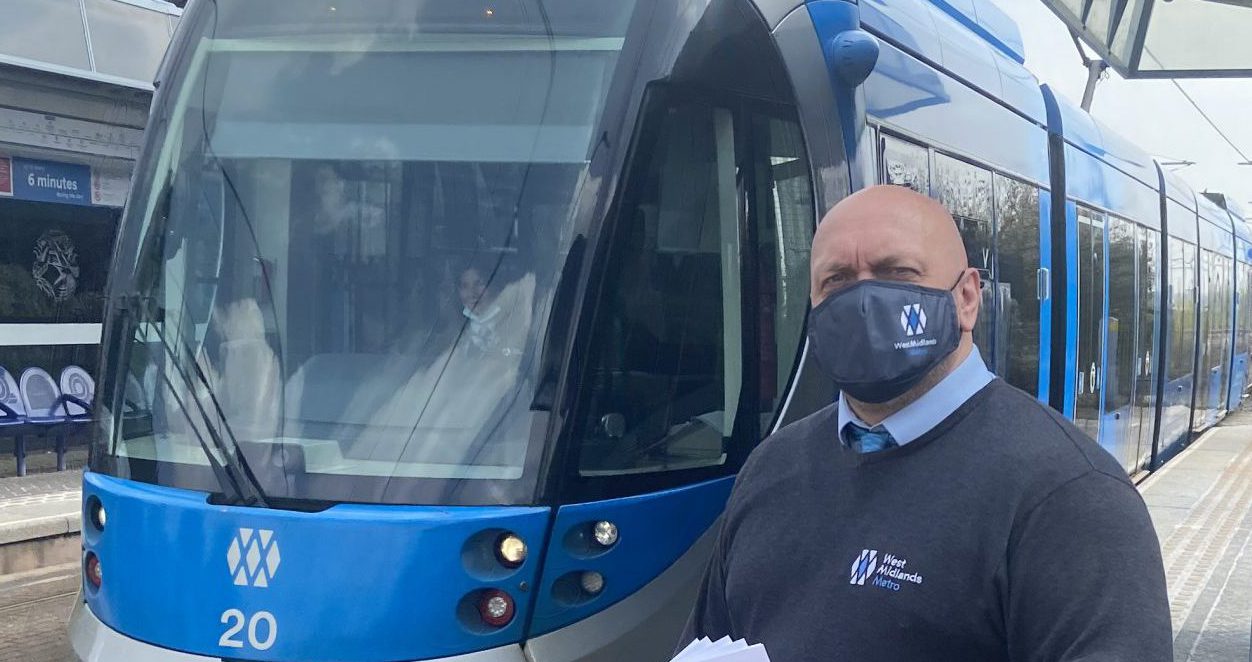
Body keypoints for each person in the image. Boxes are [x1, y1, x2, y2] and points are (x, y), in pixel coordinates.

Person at [680, 185, 1172, 661]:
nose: (866, 301)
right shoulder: (771, 469)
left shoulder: (1069, 495)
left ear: (967, 298)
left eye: (897, 273)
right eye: (836, 281)